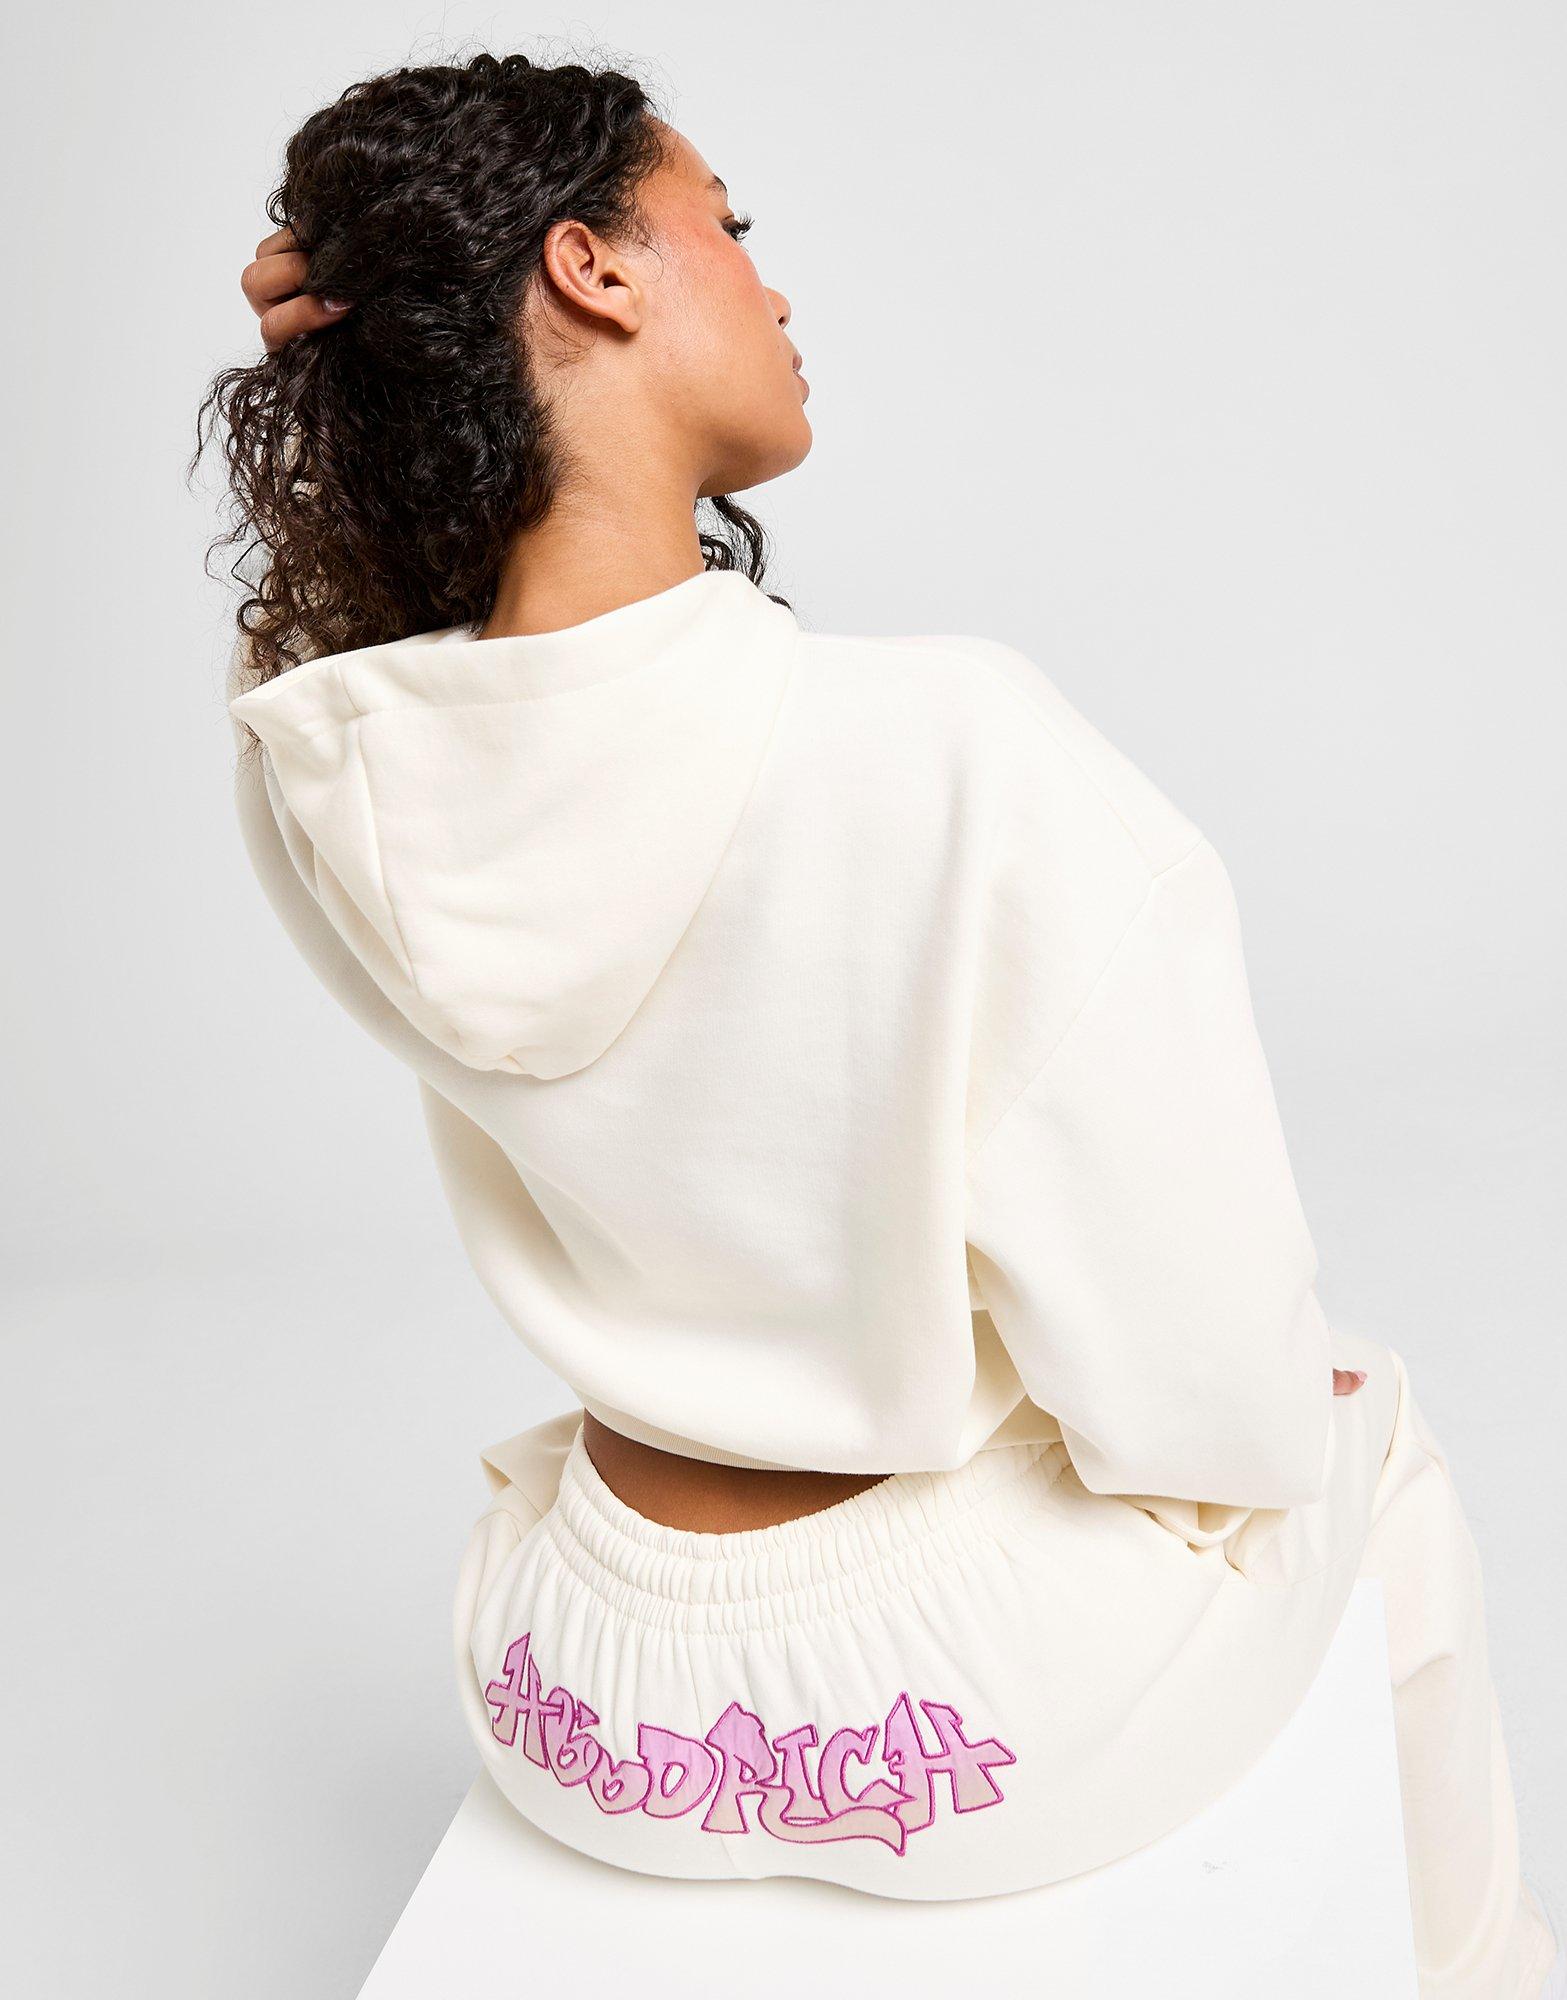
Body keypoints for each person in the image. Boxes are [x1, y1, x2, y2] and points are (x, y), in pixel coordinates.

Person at [200, 49, 1561, 1996]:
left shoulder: (334, 777)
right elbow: (1205, 1382)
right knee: (1373, 1434)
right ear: (591, 268)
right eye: (727, 228)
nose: (771, 285)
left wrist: (372, 398)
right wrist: (1276, 1423)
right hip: (964, 1721)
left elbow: (354, 674)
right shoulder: (950, 748)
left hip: (577, 1689)